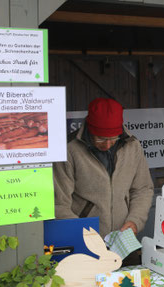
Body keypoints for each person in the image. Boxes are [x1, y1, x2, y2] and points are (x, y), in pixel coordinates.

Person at [54, 98, 154, 239]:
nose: (107, 145)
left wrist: (135, 221)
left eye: (113, 138)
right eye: (100, 139)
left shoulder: (133, 146)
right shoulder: (69, 150)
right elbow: (58, 203)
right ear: (90, 129)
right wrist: (83, 235)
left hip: (123, 239)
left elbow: (142, 189)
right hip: (83, 240)